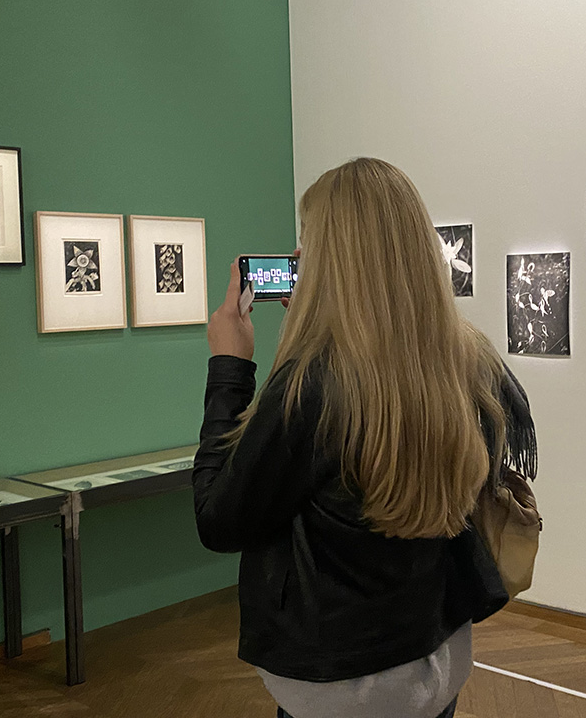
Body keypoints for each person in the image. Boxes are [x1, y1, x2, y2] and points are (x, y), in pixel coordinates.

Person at [192, 157, 537, 718]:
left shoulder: (313, 386)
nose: (300, 258)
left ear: (334, 257)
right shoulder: (469, 360)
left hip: (340, 678)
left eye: (311, 241)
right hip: (437, 654)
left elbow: (218, 519)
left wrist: (229, 367)